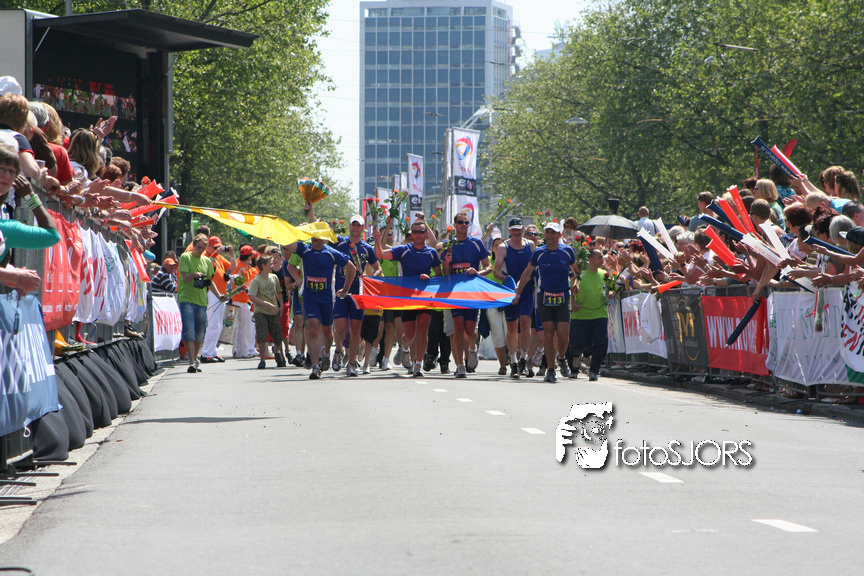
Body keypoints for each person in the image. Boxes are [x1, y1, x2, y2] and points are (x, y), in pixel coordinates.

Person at [512, 222, 579, 383]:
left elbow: (576, 271)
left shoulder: (567, 251)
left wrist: (576, 283)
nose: (550, 236)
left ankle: (561, 357)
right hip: (545, 297)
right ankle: (550, 369)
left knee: (563, 334)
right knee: (548, 334)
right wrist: (518, 292)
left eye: (553, 233)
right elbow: (527, 272)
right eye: (547, 232)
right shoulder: (539, 252)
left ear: (559, 235)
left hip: (563, 296)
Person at [373, 220, 442, 377]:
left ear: (426, 234)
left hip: (424, 297)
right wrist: (377, 239)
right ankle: (404, 348)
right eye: (415, 232)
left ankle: (418, 365)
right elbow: (380, 254)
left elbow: (439, 276)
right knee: (410, 335)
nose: (418, 235)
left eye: (421, 232)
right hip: (407, 298)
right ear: (411, 234)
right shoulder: (403, 250)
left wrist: (429, 278)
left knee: (423, 330)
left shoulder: (431, 253)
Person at [284, 234, 356, 379]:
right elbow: (288, 245)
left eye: (318, 236)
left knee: (328, 333)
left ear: (324, 238)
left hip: (327, 298)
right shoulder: (304, 250)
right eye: (313, 236)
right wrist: (280, 231)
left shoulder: (331, 253)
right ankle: (315, 366)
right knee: (312, 330)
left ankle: (327, 353)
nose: (314, 238)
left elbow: (351, 268)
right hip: (310, 298)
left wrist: (345, 288)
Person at [330, 215, 381, 377]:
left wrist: (370, 278)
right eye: (353, 225)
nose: (356, 228)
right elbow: (323, 236)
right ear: (350, 227)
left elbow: (377, 268)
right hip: (341, 292)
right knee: (340, 330)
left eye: (359, 226)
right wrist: (310, 213)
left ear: (363, 228)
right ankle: (339, 350)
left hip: (358, 293)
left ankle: (351, 364)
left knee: (355, 331)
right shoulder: (340, 243)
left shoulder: (367, 248)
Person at [442, 211, 491, 378]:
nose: (463, 225)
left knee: (469, 330)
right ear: (455, 225)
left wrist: (477, 272)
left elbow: (489, 267)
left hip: (472, 292)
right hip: (455, 293)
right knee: (458, 326)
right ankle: (460, 366)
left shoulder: (476, 243)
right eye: (460, 222)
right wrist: (447, 263)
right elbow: (446, 273)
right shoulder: (449, 244)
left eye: (466, 223)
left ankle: (472, 348)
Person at [495, 217, 536, 379]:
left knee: (526, 324)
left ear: (523, 229)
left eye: (519, 229)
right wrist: (509, 281)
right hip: (510, 291)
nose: (516, 232)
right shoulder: (503, 247)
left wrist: (522, 284)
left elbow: (533, 268)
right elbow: (496, 271)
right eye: (513, 230)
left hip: (526, 290)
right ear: (509, 230)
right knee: (512, 328)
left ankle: (523, 359)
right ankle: (512, 361)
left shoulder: (530, 245)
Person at [178, 234, 226, 374]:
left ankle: (195, 359)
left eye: (203, 248)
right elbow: (184, 278)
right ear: (194, 245)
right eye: (199, 247)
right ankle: (192, 360)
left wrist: (219, 296)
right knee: (189, 330)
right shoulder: (186, 257)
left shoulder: (206, 261)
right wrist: (193, 275)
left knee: (200, 332)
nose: (201, 250)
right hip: (186, 298)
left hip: (201, 300)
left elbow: (209, 282)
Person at [569, 250, 611, 381]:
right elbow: (570, 291)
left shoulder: (604, 274)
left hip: (600, 314)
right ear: (591, 259)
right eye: (599, 257)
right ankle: (574, 367)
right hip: (581, 315)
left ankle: (594, 371)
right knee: (576, 345)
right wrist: (573, 302)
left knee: (601, 343)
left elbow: (611, 289)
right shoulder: (580, 275)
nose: (602, 260)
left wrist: (611, 293)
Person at [200, 236, 236, 363]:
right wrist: (215, 253)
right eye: (215, 247)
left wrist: (232, 255)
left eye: (219, 247)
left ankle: (212, 351)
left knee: (219, 324)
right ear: (208, 246)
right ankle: (206, 353)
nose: (218, 249)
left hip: (221, 293)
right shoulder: (205, 256)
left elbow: (232, 268)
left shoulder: (219, 257)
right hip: (212, 293)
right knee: (213, 324)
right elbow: (206, 265)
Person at [247, 255, 285, 369]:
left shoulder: (274, 277)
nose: (272, 266)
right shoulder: (257, 280)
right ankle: (262, 360)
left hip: (273, 311)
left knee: (278, 336)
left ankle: (277, 352)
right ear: (263, 265)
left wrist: (281, 305)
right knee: (262, 336)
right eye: (270, 264)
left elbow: (278, 292)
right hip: (261, 312)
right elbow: (252, 296)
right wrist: (266, 304)